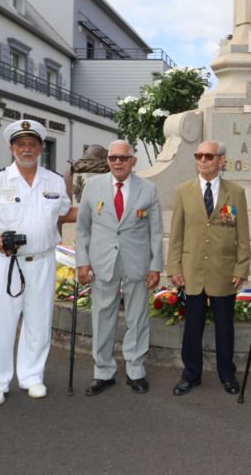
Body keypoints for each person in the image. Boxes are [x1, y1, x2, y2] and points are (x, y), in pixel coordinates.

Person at [0, 120, 75, 407]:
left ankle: (32, 376)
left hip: (42, 261)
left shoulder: (53, 181)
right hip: (5, 263)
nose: (26, 150)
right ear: (12, 148)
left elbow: (64, 214)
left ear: (41, 148)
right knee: (1, 322)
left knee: (39, 321)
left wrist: (101, 211)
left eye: (32, 144)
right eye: (20, 145)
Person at [75, 140, 163, 396]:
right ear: (108, 161)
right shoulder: (92, 187)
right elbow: (82, 228)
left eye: (123, 158)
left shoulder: (148, 189)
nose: (117, 162)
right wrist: (83, 262)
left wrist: (155, 266)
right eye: (113, 158)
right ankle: (103, 371)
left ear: (133, 161)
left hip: (137, 263)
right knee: (102, 317)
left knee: (137, 318)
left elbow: (155, 232)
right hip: (103, 262)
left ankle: (135, 370)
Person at [167, 141, 250, 396]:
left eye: (209, 155)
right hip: (192, 271)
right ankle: (190, 375)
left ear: (221, 160)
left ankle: (227, 374)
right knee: (193, 327)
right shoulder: (183, 190)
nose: (203, 160)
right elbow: (177, 233)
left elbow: (242, 235)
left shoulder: (235, 192)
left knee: (225, 327)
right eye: (199, 155)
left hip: (224, 271)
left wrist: (241, 268)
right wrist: (174, 267)